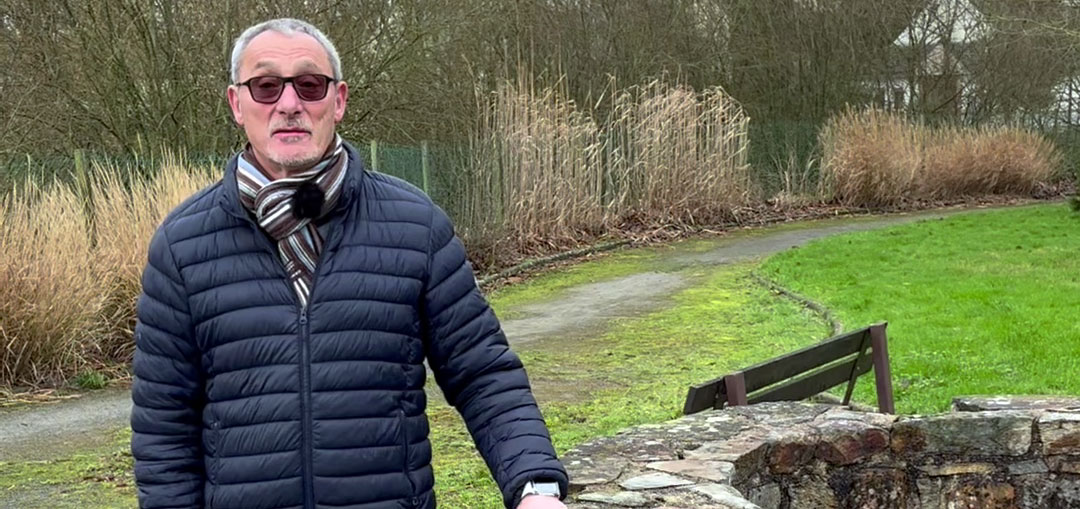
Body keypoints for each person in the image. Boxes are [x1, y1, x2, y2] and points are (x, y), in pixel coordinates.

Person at [130, 18, 568, 509]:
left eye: (309, 85)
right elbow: (164, 425)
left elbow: (482, 372)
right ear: (237, 104)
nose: (289, 104)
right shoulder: (183, 244)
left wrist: (536, 488)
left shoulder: (414, 225)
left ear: (338, 100)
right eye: (266, 86)